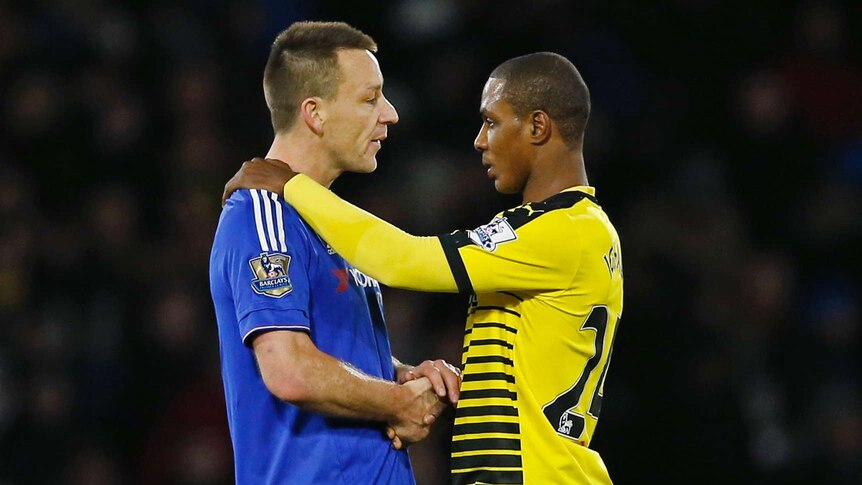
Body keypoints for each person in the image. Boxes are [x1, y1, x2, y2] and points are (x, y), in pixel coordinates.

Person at [224, 52, 624, 484]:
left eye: (491, 122)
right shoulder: (563, 228)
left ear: (538, 127)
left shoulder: (563, 231)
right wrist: (412, 379)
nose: (479, 140)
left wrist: (290, 185)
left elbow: (402, 259)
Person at [209, 21, 461, 484]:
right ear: (315, 113)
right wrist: (398, 402)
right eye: (370, 99)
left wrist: (400, 375)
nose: (390, 114)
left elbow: (331, 354)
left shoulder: (328, 220)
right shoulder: (263, 216)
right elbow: (289, 369)